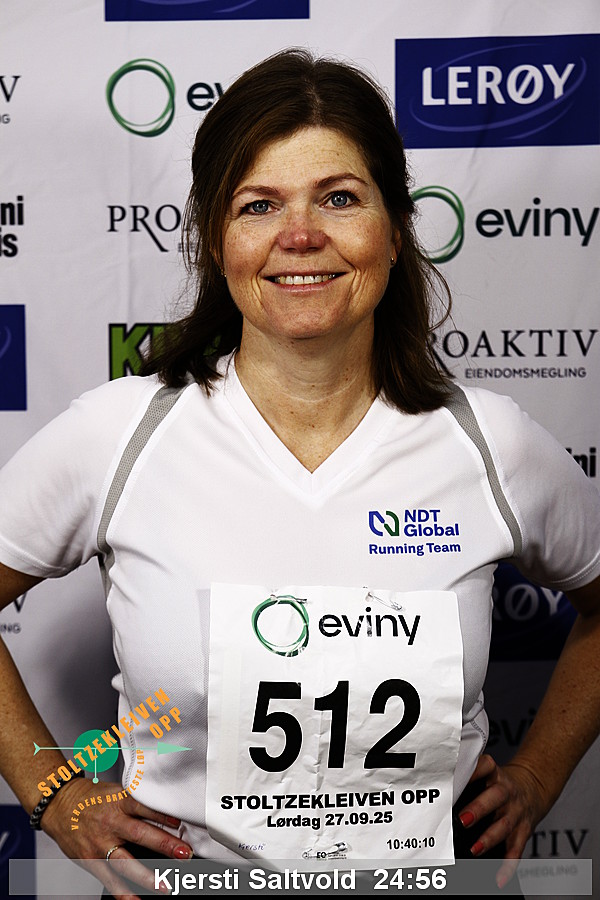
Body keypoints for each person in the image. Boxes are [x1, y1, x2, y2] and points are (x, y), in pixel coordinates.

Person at [0, 48, 599, 897]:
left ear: (394, 228)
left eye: (340, 198)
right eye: (259, 205)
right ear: (217, 241)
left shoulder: (490, 443)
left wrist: (537, 774)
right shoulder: (119, 434)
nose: (301, 235)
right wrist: (52, 791)